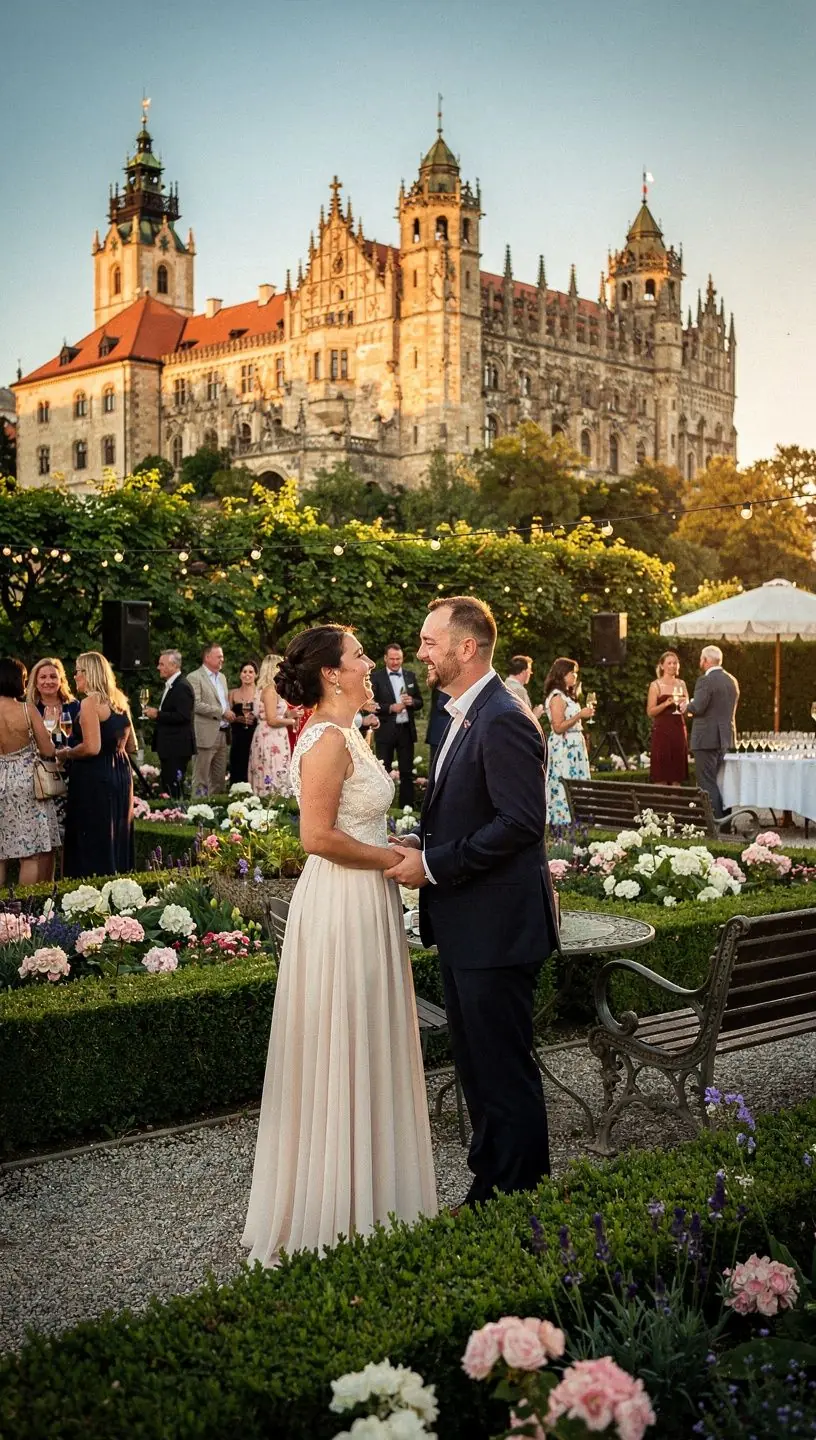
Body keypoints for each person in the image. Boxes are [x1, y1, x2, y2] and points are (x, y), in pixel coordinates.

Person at [242, 624, 437, 1263]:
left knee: (367, 1037)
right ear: (331, 672)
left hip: (368, 897)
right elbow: (317, 837)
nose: (367, 662)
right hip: (343, 903)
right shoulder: (326, 738)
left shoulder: (349, 731)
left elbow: (359, 819)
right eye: (357, 656)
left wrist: (393, 845)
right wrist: (391, 859)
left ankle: (373, 1195)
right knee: (343, 1040)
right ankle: (335, 1208)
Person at [385, 596, 559, 1206]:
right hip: (468, 925)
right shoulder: (462, 711)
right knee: (478, 1069)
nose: (421, 652)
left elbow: (520, 823)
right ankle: (490, 1188)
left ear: (466, 647)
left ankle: (522, 1199)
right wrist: (422, 841)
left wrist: (433, 864)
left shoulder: (503, 715)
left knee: (503, 1073)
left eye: (430, 642)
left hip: (497, 929)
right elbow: (472, 809)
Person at [61, 652, 135, 879]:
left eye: (77, 671)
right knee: (118, 834)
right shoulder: (120, 700)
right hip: (121, 772)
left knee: (93, 837)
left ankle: (90, 889)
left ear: (89, 673)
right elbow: (132, 745)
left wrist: (66, 753)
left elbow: (92, 747)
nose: (75, 676)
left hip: (95, 774)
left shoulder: (89, 703)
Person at [0, 657, 60, 887]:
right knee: (30, 854)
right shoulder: (27, 710)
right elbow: (48, 750)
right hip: (26, 783)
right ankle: (26, 905)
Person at [679, 645, 739, 819]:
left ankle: (716, 823)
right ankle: (726, 821)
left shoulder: (705, 680)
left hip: (706, 739)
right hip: (725, 739)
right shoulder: (732, 680)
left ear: (705, 660)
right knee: (722, 783)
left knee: (707, 782)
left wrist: (686, 706)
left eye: (701, 659)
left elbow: (698, 707)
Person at [542, 657, 594, 828]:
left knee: (579, 785)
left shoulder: (567, 695)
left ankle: (580, 822)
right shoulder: (557, 697)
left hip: (574, 746)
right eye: (572, 673)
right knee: (564, 786)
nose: (575, 676)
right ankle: (562, 824)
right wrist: (579, 716)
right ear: (562, 674)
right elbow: (558, 727)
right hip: (564, 748)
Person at [370, 644, 424, 809]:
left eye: (398, 659)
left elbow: (420, 702)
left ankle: (406, 809)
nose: (395, 662)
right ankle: (382, 809)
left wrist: (412, 702)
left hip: (406, 731)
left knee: (407, 772)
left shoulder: (410, 676)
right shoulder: (376, 678)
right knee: (383, 771)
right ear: (385, 658)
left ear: (402, 659)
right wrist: (390, 708)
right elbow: (371, 705)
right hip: (385, 731)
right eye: (392, 659)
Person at [144, 650, 196, 798]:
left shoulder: (182, 686)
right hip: (170, 746)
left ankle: (175, 810)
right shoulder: (173, 685)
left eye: (162, 664)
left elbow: (183, 716)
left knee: (173, 787)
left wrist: (157, 714)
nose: (158, 668)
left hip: (177, 746)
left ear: (174, 666)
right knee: (168, 784)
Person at [188, 643, 235, 796]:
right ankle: (198, 809)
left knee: (219, 781)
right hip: (205, 735)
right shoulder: (194, 677)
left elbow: (223, 703)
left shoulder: (222, 678)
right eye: (219, 656)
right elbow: (195, 704)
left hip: (223, 734)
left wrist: (230, 713)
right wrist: (222, 712)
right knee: (201, 780)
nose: (222, 659)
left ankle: (215, 808)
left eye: (222, 656)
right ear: (207, 657)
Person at [248, 653, 296, 798]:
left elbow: (276, 714)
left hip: (272, 735)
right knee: (272, 769)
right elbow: (272, 720)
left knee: (275, 769)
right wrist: (292, 722)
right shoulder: (270, 690)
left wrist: (291, 714)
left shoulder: (272, 689)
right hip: (271, 737)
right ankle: (271, 802)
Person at [647, 651, 689, 785]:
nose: (672, 666)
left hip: (678, 729)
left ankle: (676, 797)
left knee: (677, 774)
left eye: (675, 663)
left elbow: (687, 708)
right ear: (662, 666)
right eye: (669, 663)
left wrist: (686, 706)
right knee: (661, 774)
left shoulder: (681, 684)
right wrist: (666, 703)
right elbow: (650, 712)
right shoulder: (656, 685)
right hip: (662, 731)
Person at [228, 660, 259, 786]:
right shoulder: (232, 693)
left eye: (251, 672)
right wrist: (236, 719)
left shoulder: (260, 693)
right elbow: (226, 716)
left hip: (255, 736)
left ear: (256, 675)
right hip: (238, 737)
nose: (247, 674)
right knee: (237, 765)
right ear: (240, 674)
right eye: (244, 671)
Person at [425, 679, 451, 775]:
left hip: (447, 730)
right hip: (441, 732)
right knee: (437, 770)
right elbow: (442, 704)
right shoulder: (444, 679)